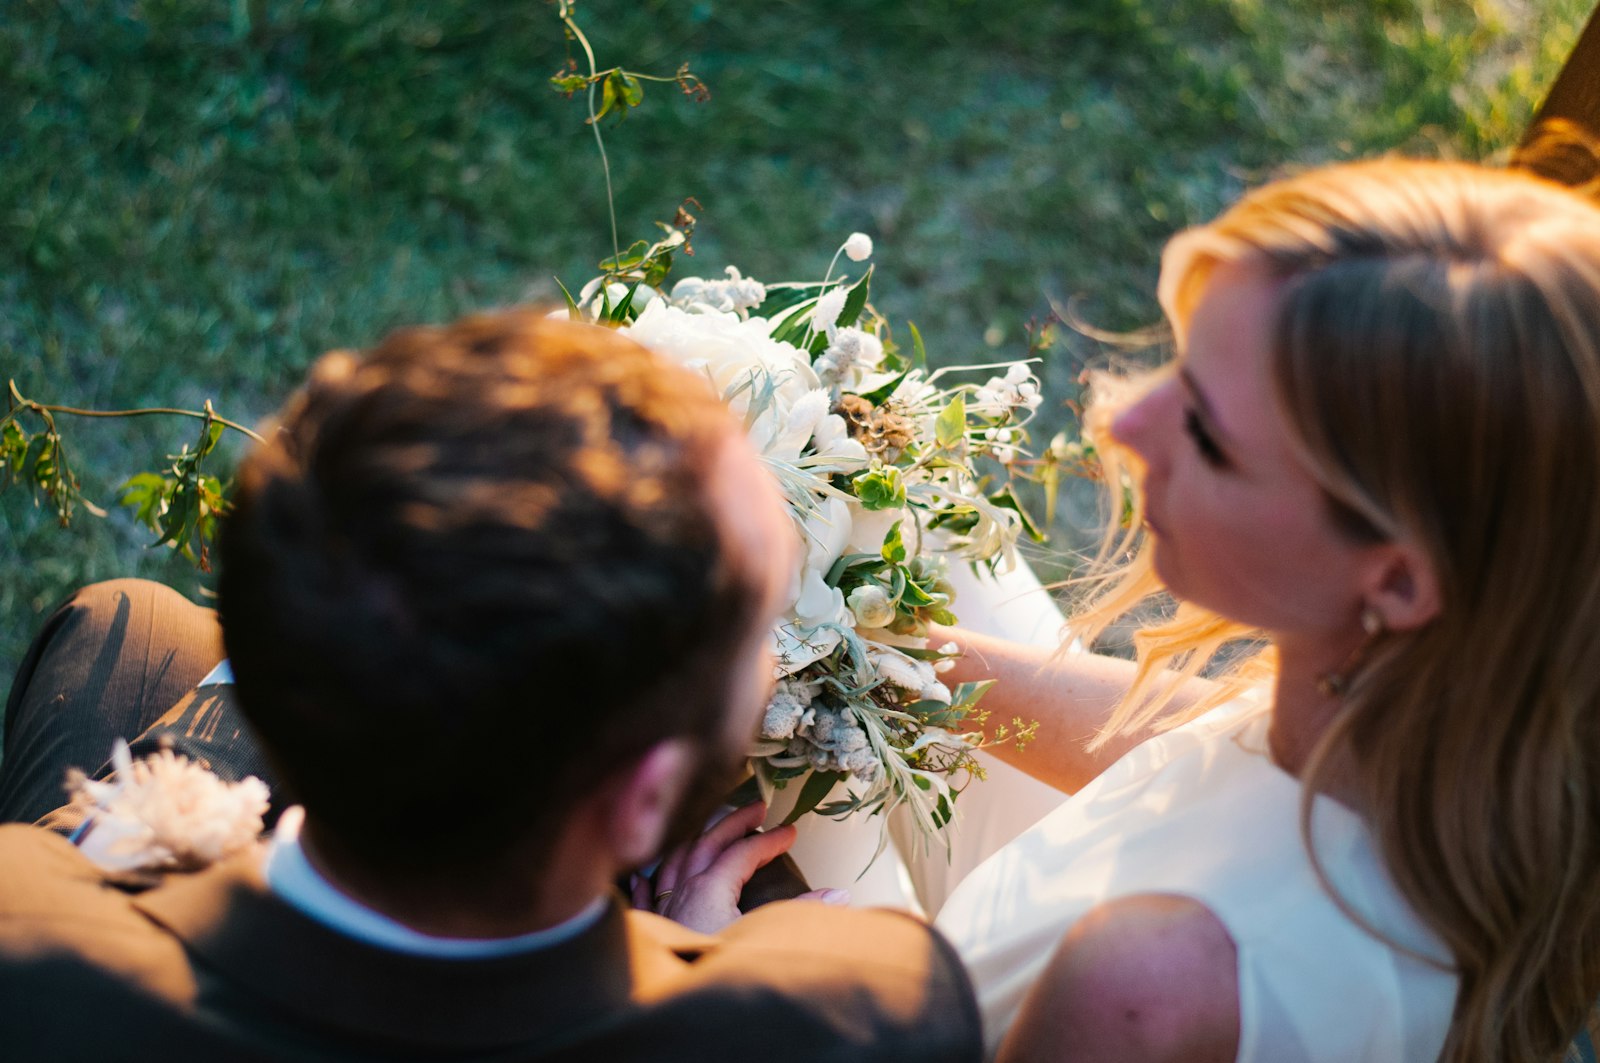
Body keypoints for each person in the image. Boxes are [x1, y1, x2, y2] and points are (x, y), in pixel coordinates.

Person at [0, 310, 981, 1061]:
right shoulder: (857, 1012)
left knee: (131, 621)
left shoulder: (27, 929)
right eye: (761, 625)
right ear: (643, 804)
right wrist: (679, 955)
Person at [926, 159, 1600, 1062]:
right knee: (897, 537)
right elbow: (1200, 755)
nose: (1126, 424)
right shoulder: (1449, 748)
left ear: (1397, 582)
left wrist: (716, 962)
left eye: (1207, 432)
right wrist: (877, 659)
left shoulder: (1148, 986)